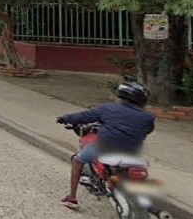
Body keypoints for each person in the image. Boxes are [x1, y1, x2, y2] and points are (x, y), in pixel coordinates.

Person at [57, 81, 155, 210]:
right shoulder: (148, 117)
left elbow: (84, 116)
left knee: (77, 160)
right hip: (133, 151)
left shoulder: (109, 108)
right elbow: (147, 130)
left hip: (105, 147)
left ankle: (72, 198)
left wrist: (65, 118)